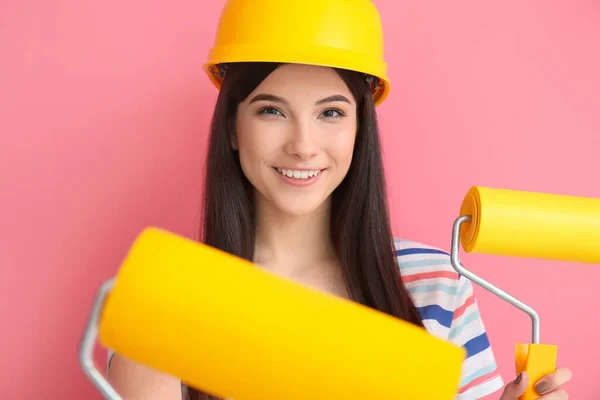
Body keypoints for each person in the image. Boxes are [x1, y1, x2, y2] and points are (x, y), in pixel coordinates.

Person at [106, 0, 572, 399]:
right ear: (232, 126)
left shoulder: (435, 285)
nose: (304, 145)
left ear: (359, 128)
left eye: (331, 112)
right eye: (272, 110)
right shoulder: (168, 302)